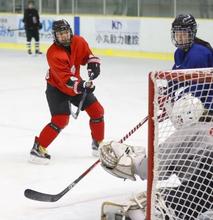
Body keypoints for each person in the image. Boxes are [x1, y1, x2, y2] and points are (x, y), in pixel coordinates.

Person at [99, 94, 213, 220]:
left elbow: (154, 168)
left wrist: (130, 162)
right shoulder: (208, 126)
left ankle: (156, 213)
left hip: (206, 184)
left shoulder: (187, 132)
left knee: (164, 200)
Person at [29, 19, 104, 164]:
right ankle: (38, 148)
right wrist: (83, 85)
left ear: (70, 32)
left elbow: (87, 56)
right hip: (57, 88)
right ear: (55, 36)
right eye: (60, 34)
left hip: (75, 84)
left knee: (97, 111)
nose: (64, 36)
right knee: (60, 120)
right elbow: (66, 79)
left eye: (65, 32)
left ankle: (98, 144)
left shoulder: (78, 41)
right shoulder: (53, 53)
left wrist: (93, 64)